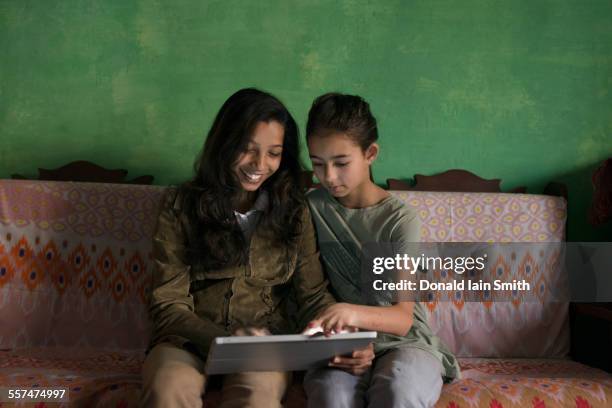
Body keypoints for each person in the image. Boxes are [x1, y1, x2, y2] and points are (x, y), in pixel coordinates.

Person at [141, 88, 373, 408]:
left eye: (273, 153)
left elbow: (312, 295)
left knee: (258, 396)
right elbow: (167, 305)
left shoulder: (294, 211)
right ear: (224, 144)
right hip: (186, 344)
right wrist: (221, 341)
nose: (259, 164)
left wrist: (346, 338)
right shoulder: (180, 205)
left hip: (265, 346)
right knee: (168, 390)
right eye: (246, 149)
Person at [303, 93, 460, 408]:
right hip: (344, 343)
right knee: (331, 395)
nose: (329, 177)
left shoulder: (400, 220)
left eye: (341, 163)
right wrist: (339, 337)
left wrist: (350, 311)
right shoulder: (311, 208)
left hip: (406, 343)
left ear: (370, 153)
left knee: (398, 388)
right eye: (318, 164)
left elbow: (403, 318)